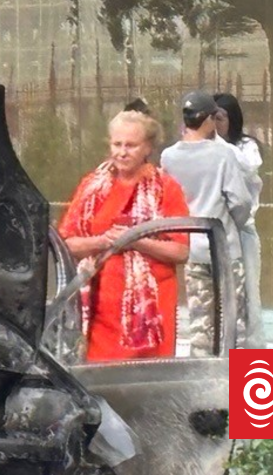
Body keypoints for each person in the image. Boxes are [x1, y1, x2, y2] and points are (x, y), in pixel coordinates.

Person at [58, 110, 190, 362]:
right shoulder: (91, 186)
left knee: (148, 383)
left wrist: (137, 241)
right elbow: (67, 244)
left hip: (151, 314)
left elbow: (180, 251)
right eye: (117, 144)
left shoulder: (166, 188)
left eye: (131, 145)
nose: (122, 152)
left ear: (147, 147)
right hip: (100, 312)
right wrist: (103, 241)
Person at [160, 91, 254, 356]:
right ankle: (237, 385)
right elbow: (240, 201)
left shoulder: (168, 157)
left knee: (201, 323)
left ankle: (200, 383)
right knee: (234, 323)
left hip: (190, 246)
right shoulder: (223, 156)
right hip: (224, 247)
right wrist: (237, 224)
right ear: (209, 119)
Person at [213, 92, 265, 348]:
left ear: (232, 119)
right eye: (210, 118)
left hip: (242, 231)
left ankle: (254, 357)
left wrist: (217, 143)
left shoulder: (246, 147)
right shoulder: (206, 150)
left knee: (248, 296)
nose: (215, 124)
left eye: (220, 118)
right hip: (215, 234)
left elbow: (247, 167)